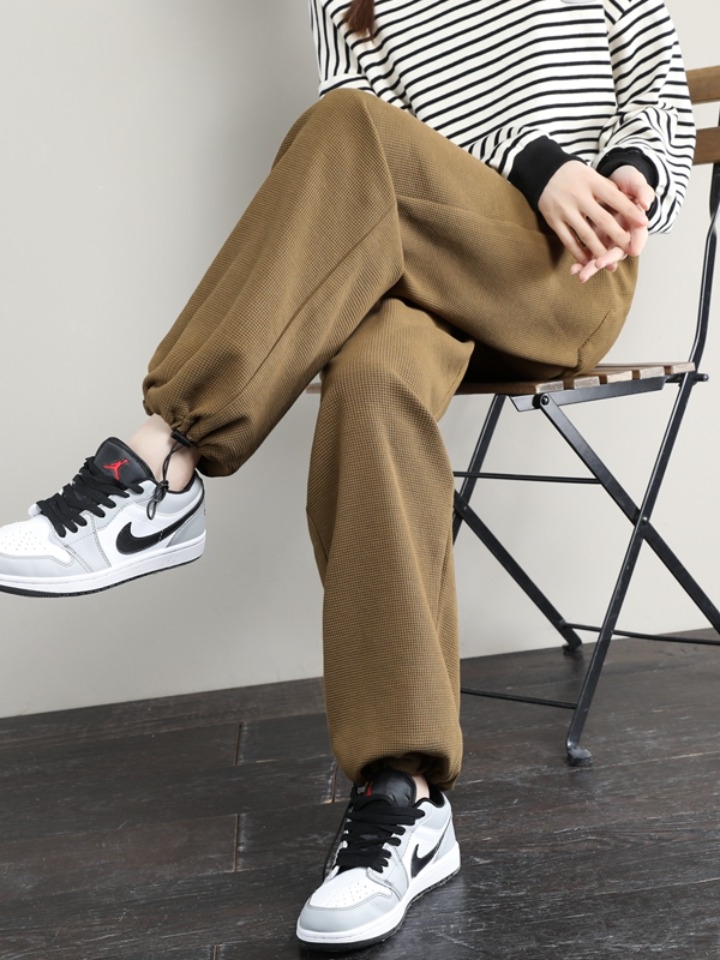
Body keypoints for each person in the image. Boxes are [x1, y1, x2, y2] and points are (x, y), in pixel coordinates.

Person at [0, 0, 695, 951]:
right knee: (369, 380)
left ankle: (165, 455)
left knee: (347, 128)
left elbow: (657, 96)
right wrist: (524, 158)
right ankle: (403, 797)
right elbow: (363, 173)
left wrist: (620, 178)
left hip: (559, 272)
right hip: (415, 265)